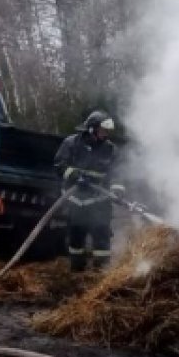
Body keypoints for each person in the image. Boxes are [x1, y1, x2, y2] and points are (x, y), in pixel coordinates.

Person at [54, 110, 123, 272]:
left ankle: (101, 274)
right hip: (76, 199)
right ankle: (76, 271)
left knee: (102, 238)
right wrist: (76, 176)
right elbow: (59, 166)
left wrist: (118, 190)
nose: (105, 135)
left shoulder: (110, 149)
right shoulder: (71, 143)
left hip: (100, 201)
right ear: (91, 128)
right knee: (76, 237)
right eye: (102, 131)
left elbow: (117, 174)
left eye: (107, 132)